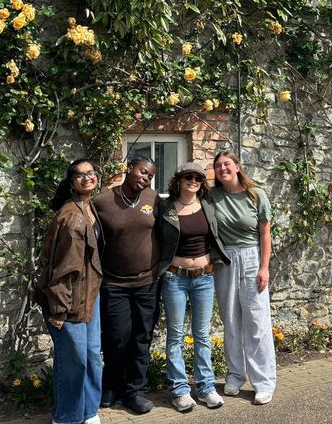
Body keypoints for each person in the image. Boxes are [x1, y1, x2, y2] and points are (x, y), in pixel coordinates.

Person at [157, 162, 230, 412]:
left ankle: (206, 387)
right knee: (175, 335)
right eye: (188, 176)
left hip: (204, 278)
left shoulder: (208, 205)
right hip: (174, 278)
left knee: (202, 335)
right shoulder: (166, 208)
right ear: (178, 180)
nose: (193, 181)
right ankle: (179, 390)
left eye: (198, 178)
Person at [34, 158, 103, 424]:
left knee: (89, 357)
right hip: (68, 301)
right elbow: (64, 269)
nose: (88, 178)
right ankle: (66, 417)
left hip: (89, 296)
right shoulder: (73, 218)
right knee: (73, 363)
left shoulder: (88, 207)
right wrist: (59, 311)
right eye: (80, 175)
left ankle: (89, 411)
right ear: (71, 182)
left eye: (91, 173)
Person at [91, 157, 160, 415]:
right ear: (129, 168)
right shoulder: (102, 202)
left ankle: (135, 391)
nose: (146, 178)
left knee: (141, 338)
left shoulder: (154, 199)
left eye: (151, 176)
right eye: (143, 172)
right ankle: (111, 385)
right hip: (114, 283)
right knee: (116, 338)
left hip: (147, 282)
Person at [211, 150, 277, 405]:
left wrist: (264, 268)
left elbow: (265, 235)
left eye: (227, 164)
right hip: (225, 260)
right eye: (218, 166)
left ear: (237, 167)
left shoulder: (256, 195)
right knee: (230, 320)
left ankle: (263, 381)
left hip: (251, 256)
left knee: (256, 320)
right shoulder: (212, 197)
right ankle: (236, 375)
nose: (223, 168)